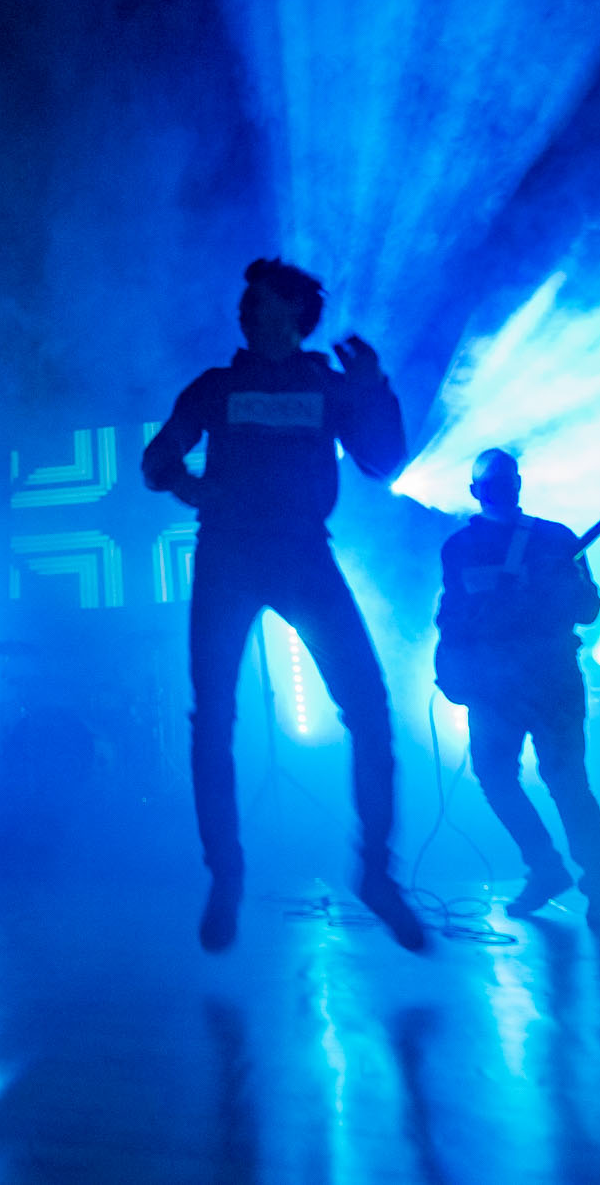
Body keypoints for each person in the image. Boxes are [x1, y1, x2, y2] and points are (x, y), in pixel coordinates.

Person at [142, 258, 423, 952]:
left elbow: (384, 463)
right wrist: (186, 482)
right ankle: (226, 872)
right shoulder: (217, 387)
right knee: (213, 718)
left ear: (296, 313)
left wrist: (375, 391)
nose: (246, 312)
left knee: (369, 711)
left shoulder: (328, 387)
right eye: (244, 304)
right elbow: (155, 460)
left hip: (304, 556)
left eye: (260, 303)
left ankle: (376, 873)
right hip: (228, 560)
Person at [434, 448, 600, 927]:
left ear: (518, 485)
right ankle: (548, 868)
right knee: (499, 777)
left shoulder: (556, 539)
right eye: (493, 482)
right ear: (477, 491)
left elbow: (588, 609)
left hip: (549, 676)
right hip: (494, 685)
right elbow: (452, 614)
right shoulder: (459, 548)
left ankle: (599, 889)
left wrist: (558, 586)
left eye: (505, 480)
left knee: (566, 781)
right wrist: (452, 666)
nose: (501, 489)